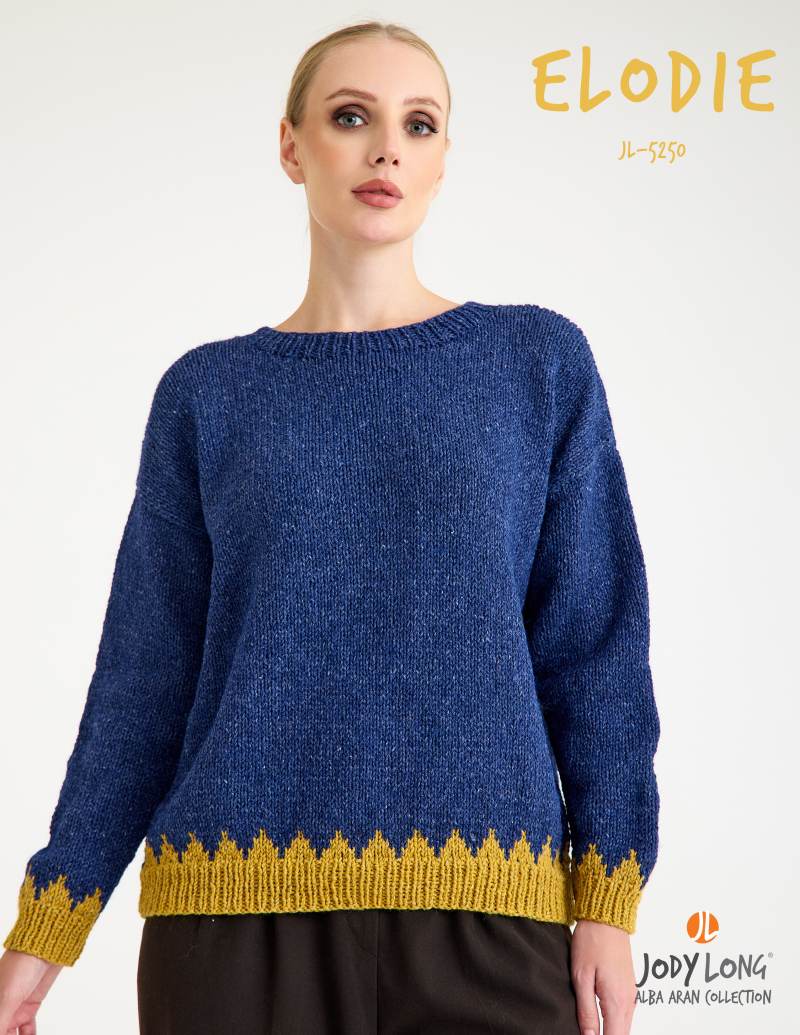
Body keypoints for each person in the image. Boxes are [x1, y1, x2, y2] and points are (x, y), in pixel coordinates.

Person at [0, 19, 661, 1035]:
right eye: (351, 117)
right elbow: (144, 674)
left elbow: (593, 646)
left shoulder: (536, 365)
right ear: (291, 147)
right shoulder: (207, 393)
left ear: (443, 158)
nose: (386, 148)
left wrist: (608, 900)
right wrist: (52, 919)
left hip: (492, 909)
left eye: (418, 124)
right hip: (230, 923)